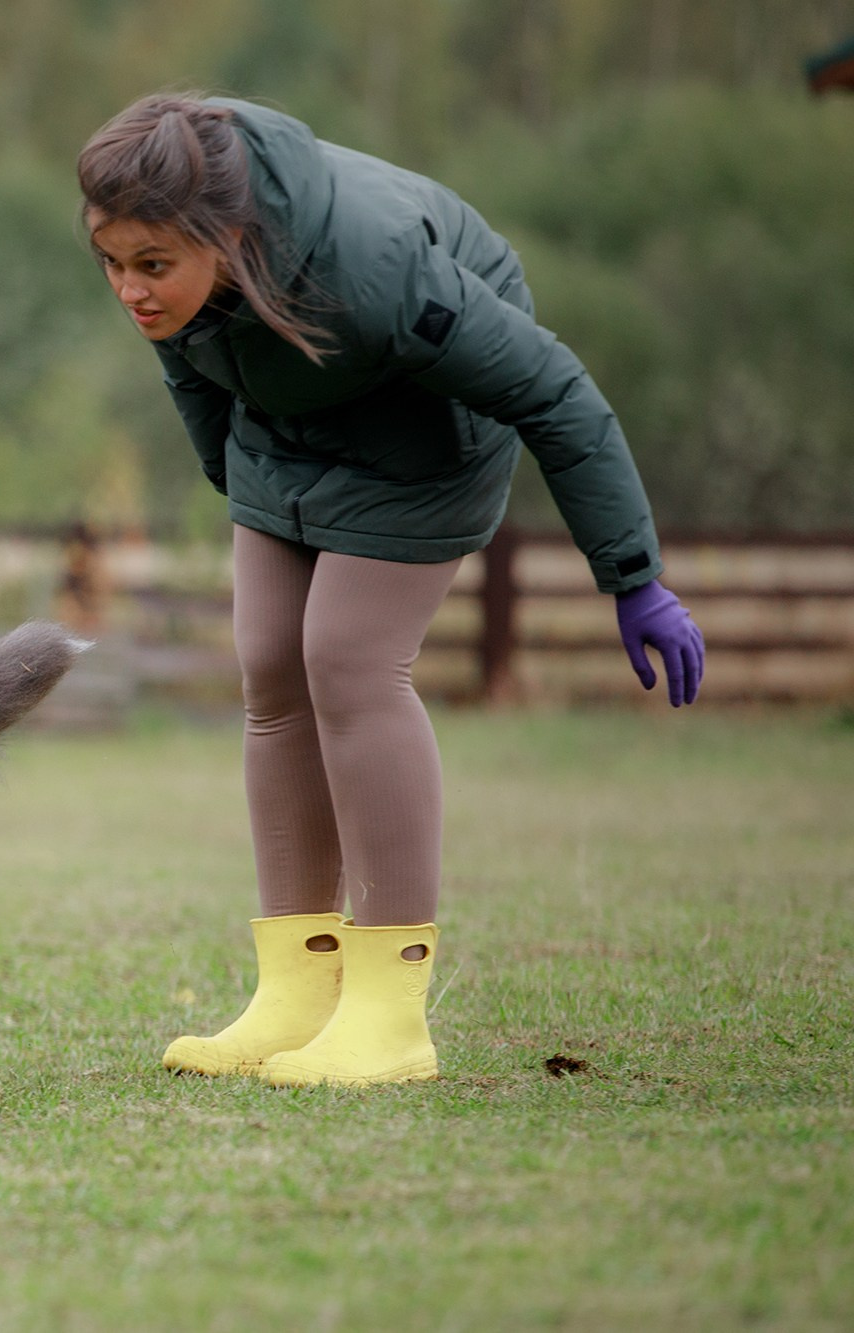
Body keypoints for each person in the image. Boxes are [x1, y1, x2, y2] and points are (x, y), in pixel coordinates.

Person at [79, 94, 705, 1087]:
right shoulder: (174, 272)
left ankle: (387, 1009)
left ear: (229, 237)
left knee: (347, 662)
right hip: (286, 430)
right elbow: (191, 372)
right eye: (109, 262)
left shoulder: (373, 272)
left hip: (425, 436)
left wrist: (632, 579)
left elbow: (551, 391)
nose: (128, 290)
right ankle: (296, 989)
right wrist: (243, 494)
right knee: (269, 665)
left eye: (148, 266)